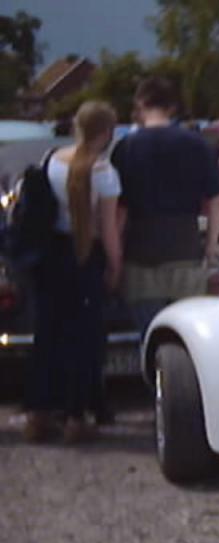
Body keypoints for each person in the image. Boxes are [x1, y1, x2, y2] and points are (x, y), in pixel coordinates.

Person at [23, 100, 123, 443]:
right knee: (82, 339)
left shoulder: (51, 160)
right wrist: (115, 266)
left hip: (51, 255)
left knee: (47, 334)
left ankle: (38, 414)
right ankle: (75, 417)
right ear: (106, 133)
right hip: (86, 256)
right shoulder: (105, 173)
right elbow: (108, 231)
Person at [110, 76, 219, 336]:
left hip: (140, 256)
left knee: (150, 335)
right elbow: (217, 200)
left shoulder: (126, 148)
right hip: (185, 251)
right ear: (172, 107)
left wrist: (114, 260)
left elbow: (120, 211)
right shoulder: (197, 144)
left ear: (140, 104)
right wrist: (210, 246)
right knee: (185, 338)